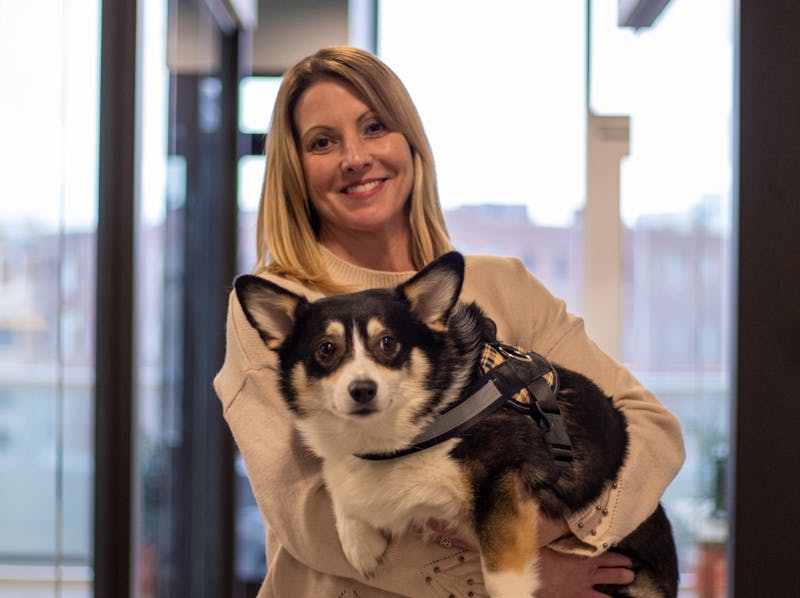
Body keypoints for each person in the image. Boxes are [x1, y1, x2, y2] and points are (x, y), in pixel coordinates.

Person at [214, 46, 685, 597]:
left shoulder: (502, 285)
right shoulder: (285, 311)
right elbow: (309, 517)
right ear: (295, 168)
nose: (355, 157)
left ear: (409, 141)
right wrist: (525, 579)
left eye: (375, 127)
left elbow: (653, 426)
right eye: (323, 141)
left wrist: (553, 530)